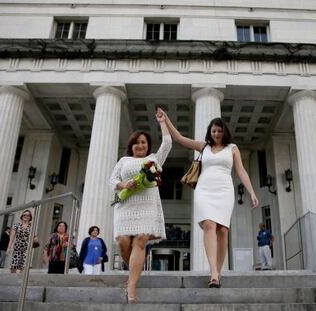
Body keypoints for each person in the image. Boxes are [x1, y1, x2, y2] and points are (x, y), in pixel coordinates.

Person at [158, 108, 259, 288]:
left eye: (219, 130)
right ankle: (213, 272)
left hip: (225, 190)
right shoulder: (203, 147)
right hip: (204, 190)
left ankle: (217, 272)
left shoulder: (232, 148)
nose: (216, 133)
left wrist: (251, 192)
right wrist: (165, 120)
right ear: (209, 132)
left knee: (223, 231)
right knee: (209, 225)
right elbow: (180, 138)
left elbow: (241, 171)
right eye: (213, 131)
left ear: (224, 131)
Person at [109, 108, 171, 302]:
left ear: (148, 145)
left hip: (147, 205)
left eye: (143, 142)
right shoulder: (124, 160)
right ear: (131, 145)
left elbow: (167, 143)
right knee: (123, 242)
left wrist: (163, 122)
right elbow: (112, 180)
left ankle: (131, 288)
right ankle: (134, 273)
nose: (140, 145)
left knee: (140, 240)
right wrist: (123, 184)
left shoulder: (153, 159)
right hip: (125, 205)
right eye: (136, 142)